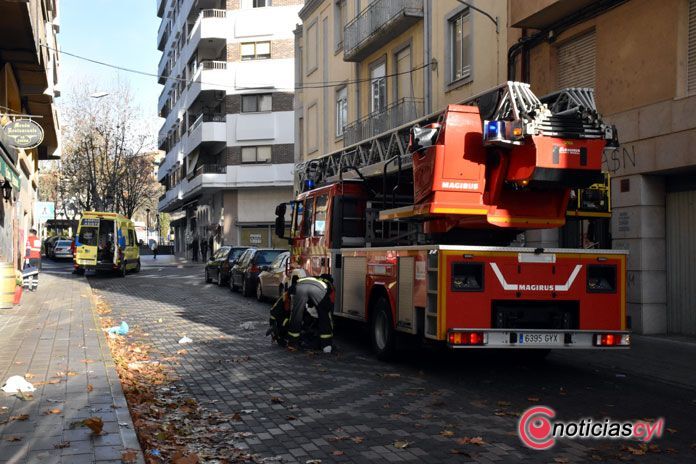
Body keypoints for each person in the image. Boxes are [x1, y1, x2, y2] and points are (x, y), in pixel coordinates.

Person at [287, 274, 335, 353]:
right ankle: (326, 345)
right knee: (324, 316)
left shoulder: (311, 278)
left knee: (296, 315)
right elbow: (330, 306)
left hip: (299, 288)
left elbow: (290, 292)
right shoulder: (330, 285)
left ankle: (292, 343)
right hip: (318, 290)